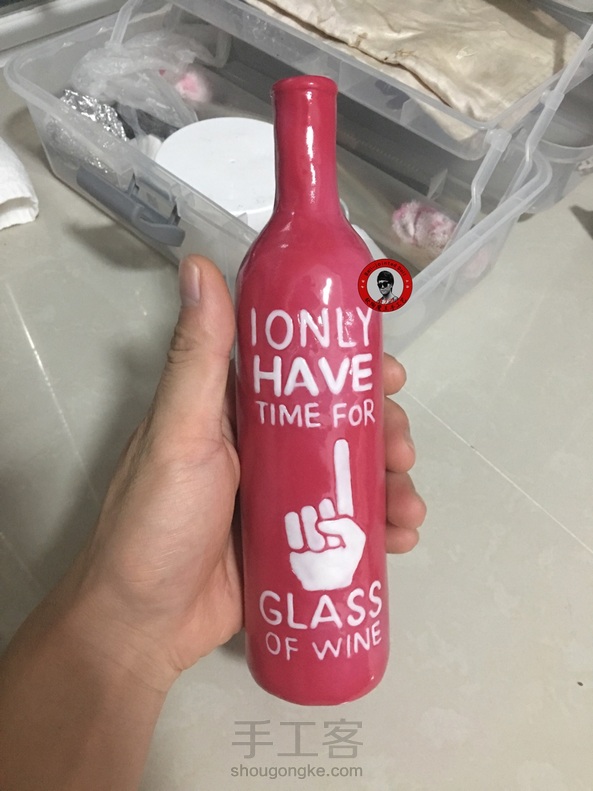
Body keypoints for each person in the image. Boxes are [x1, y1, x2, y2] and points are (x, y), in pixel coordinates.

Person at [0, 256, 426, 791]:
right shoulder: (270, 265)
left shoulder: (338, 261)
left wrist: (125, 633)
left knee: (353, 415)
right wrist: (125, 626)